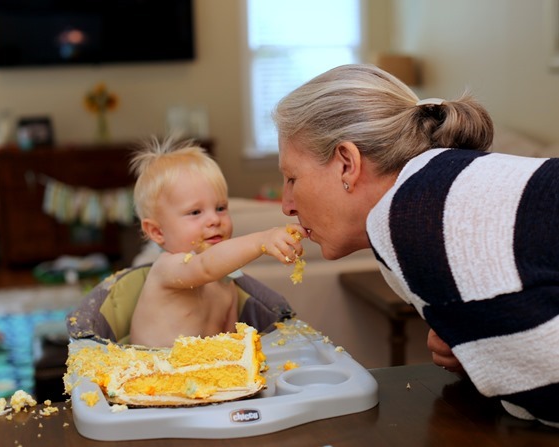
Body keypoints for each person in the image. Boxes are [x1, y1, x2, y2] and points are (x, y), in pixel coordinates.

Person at [273, 63, 559, 427]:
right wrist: (484, 353)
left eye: (292, 178)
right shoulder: (439, 182)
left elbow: (547, 396)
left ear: (347, 163)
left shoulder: (404, 219)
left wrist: (498, 366)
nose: (286, 205)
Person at [128, 137, 306, 347]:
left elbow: (230, 339)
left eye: (220, 208)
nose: (214, 220)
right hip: (152, 373)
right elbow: (204, 267)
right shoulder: (166, 268)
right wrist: (261, 240)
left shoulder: (227, 279)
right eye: (195, 212)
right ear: (157, 231)